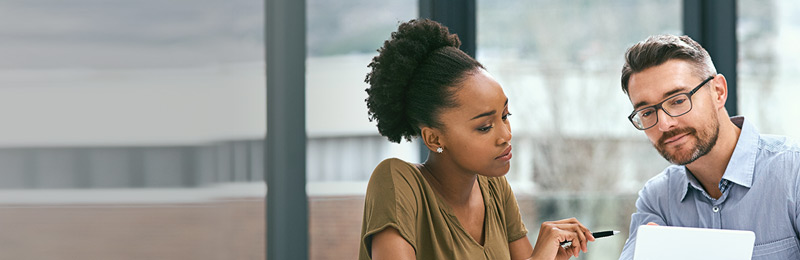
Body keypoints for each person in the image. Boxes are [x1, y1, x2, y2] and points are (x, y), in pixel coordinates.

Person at [358, 19, 594, 260]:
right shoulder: (397, 184)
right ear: (434, 138)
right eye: (484, 127)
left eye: (505, 115)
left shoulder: (495, 190)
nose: (506, 135)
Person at [617, 34, 800, 260]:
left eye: (677, 100)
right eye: (647, 112)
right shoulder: (657, 199)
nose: (664, 124)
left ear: (718, 92)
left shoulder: (794, 174)